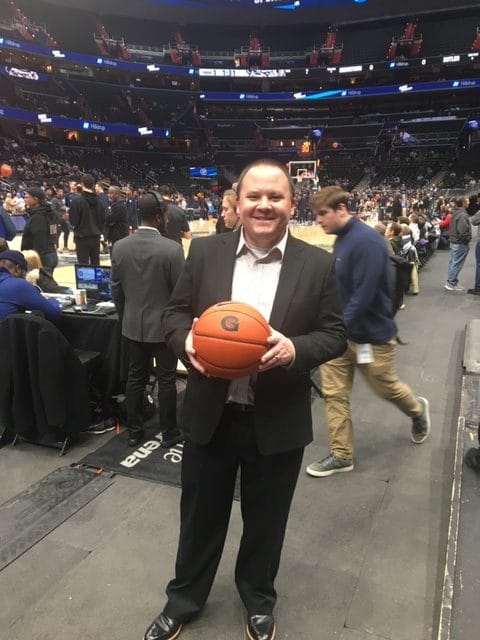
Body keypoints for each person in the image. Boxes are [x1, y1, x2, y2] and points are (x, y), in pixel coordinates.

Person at [142, 159, 346, 640]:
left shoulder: (317, 263)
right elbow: (174, 315)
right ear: (238, 201)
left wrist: (296, 348)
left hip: (276, 418)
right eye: (254, 196)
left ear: (292, 205)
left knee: (267, 521)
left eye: (276, 197)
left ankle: (258, 598)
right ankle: (184, 599)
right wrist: (184, 343)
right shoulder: (205, 253)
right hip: (212, 412)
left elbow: (335, 333)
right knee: (198, 517)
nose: (264, 205)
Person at [306, 186, 431, 479]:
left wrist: (336, 327)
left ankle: (416, 411)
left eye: (323, 214)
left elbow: (364, 295)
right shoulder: (343, 240)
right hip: (340, 337)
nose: (319, 221)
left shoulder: (367, 242)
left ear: (341, 210)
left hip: (372, 337)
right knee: (334, 394)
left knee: (385, 388)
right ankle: (341, 455)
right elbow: (342, 289)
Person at [111, 192, 185, 448]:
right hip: (164, 328)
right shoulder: (172, 249)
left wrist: (125, 317)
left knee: (135, 380)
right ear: (159, 216)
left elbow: (116, 290)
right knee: (166, 381)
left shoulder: (119, 247)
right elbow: (181, 294)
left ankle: (134, 432)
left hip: (132, 325)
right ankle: (169, 433)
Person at [0, 250, 61, 323]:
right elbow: (54, 313)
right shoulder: (18, 285)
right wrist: (52, 300)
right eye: (25, 274)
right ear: (18, 269)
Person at [69, 174, 106, 265]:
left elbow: (73, 221)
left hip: (82, 237)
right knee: (96, 264)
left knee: (83, 265)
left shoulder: (77, 201)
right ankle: (96, 280)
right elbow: (103, 219)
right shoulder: (100, 202)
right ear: (93, 185)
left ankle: (85, 280)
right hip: (96, 237)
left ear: (81, 184)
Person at [21, 187, 59, 274]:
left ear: (36, 199)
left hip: (41, 257)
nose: (24, 199)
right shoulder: (50, 213)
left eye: (27, 197)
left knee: (40, 286)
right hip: (51, 252)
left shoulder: (38, 217)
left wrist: (33, 260)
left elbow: (39, 240)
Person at [445, 196, 471, 292]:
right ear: (463, 203)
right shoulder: (462, 215)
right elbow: (463, 231)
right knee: (456, 264)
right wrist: (467, 239)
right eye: (467, 201)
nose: (469, 202)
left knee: (453, 263)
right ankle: (451, 283)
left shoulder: (456, 212)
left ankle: (452, 282)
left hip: (454, 241)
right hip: (460, 243)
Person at [105, 185, 129, 250]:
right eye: (108, 193)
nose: (108, 195)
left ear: (117, 194)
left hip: (119, 236)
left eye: (111, 193)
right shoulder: (115, 204)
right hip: (115, 235)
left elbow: (108, 220)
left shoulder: (119, 206)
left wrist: (108, 220)